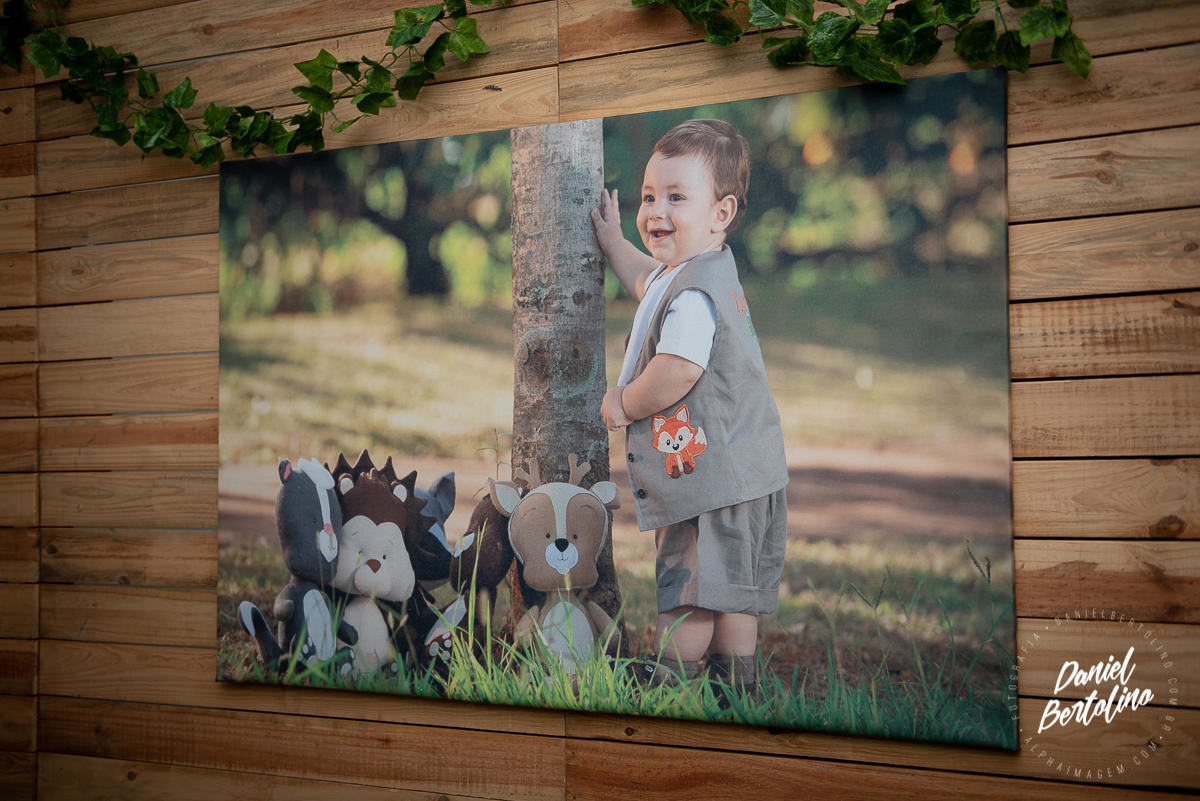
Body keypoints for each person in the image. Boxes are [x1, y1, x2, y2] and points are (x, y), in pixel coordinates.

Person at [591, 118, 789, 695]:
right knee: (732, 592)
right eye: (650, 195)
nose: (656, 210)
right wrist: (611, 244)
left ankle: (671, 690)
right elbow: (645, 281)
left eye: (677, 197)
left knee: (689, 592)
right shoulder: (696, 272)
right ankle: (738, 689)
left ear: (720, 213)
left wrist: (623, 404)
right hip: (746, 473)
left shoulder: (694, 298)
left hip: (706, 482)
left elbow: (678, 369)